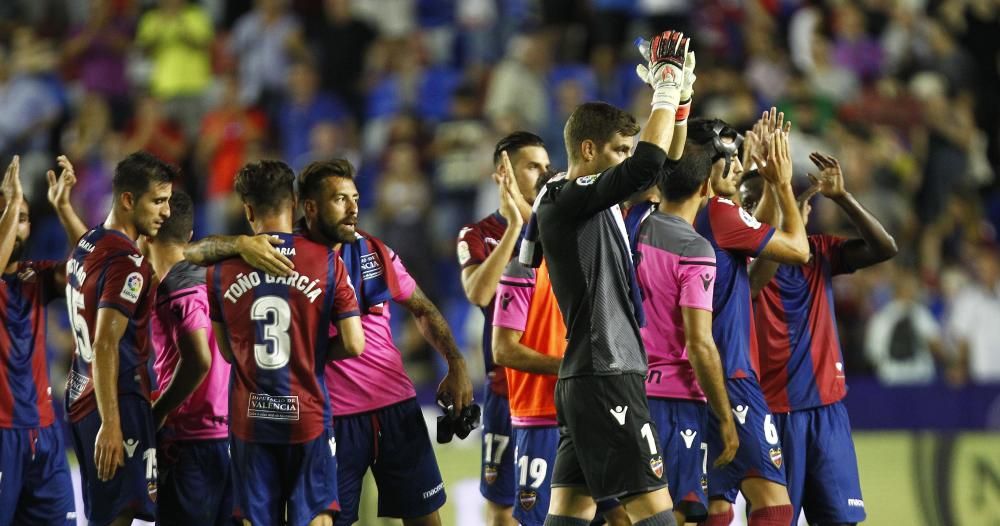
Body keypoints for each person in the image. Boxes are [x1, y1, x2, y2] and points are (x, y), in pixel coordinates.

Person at [533, 30, 689, 525]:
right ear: (587, 149)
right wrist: (662, 86)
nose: (626, 159)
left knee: (571, 512)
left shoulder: (586, 198)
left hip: (591, 374)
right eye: (618, 150)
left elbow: (664, 162)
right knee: (655, 511)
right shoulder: (567, 195)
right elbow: (645, 164)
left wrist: (680, 100)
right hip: (605, 371)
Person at [297, 159, 473, 526]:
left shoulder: (373, 251)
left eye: (355, 197)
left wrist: (455, 363)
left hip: (397, 408)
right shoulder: (285, 258)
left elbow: (422, 309)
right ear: (310, 207)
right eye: (339, 199)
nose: (353, 207)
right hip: (333, 418)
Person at [204, 160, 364, 526]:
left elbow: (228, 352)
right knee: (318, 516)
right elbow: (355, 343)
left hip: (250, 418)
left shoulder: (220, 270)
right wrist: (313, 353)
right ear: (293, 202)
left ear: (247, 210)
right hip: (308, 414)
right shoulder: (326, 261)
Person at [742, 152, 897, 525]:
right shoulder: (734, 264)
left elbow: (884, 248)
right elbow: (753, 281)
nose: (756, 209)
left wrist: (843, 198)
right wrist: (782, 221)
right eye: (749, 202)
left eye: (773, 198)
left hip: (827, 413)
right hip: (770, 416)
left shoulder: (821, 253)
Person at [687, 113, 810, 526]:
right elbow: (798, 249)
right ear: (708, 163)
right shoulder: (721, 213)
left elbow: (752, 280)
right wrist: (781, 182)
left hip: (695, 378)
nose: (740, 169)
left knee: (717, 506)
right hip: (731, 376)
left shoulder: (690, 215)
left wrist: (766, 185)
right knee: (775, 504)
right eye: (732, 159)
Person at [492, 161, 629, 526]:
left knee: (618, 515)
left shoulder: (593, 262)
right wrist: (570, 366)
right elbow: (502, 350)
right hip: (541, 416)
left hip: (594, 409)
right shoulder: (521, 269)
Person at [59, 151, 173, 526]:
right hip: (116, 399)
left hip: (80, 395)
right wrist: (112, 423)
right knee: (120, 516)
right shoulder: (128, 263)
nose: (166, 212)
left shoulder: (89, 241)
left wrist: (62, 207)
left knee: (104, 514)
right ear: (128, 200)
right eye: (158, 201)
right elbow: (106, 343)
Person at [634, 135, 742, 526]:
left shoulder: (631, 230)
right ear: (706, 187)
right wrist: (725, 417)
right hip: (675, 400)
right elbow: (699, 343)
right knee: (676, 514)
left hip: (627, 389)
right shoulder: (695, 249)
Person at [456, 131, 550, 526]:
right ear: (503, 172)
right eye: (533, 166)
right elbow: (478, 293)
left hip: (554, 383)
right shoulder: (476, 234)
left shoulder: (558, 231)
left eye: (548, 167)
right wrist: (513, 228)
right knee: (503, 507)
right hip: (505, 388)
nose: (544, 175)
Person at [142, 190, 233, 526]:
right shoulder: (217, 278)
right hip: (231, 439)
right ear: (189, 235)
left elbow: (199, 359)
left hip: (191, 442)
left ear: (148, 231)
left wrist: (160, 410)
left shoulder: (175, 287)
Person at [0, 155, 76, 525]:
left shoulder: (37, 276)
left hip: (45, 432)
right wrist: (12, 203)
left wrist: (63, 208)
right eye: (10, 216)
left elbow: (92, 267)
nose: (17, 224)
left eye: (24, 218)